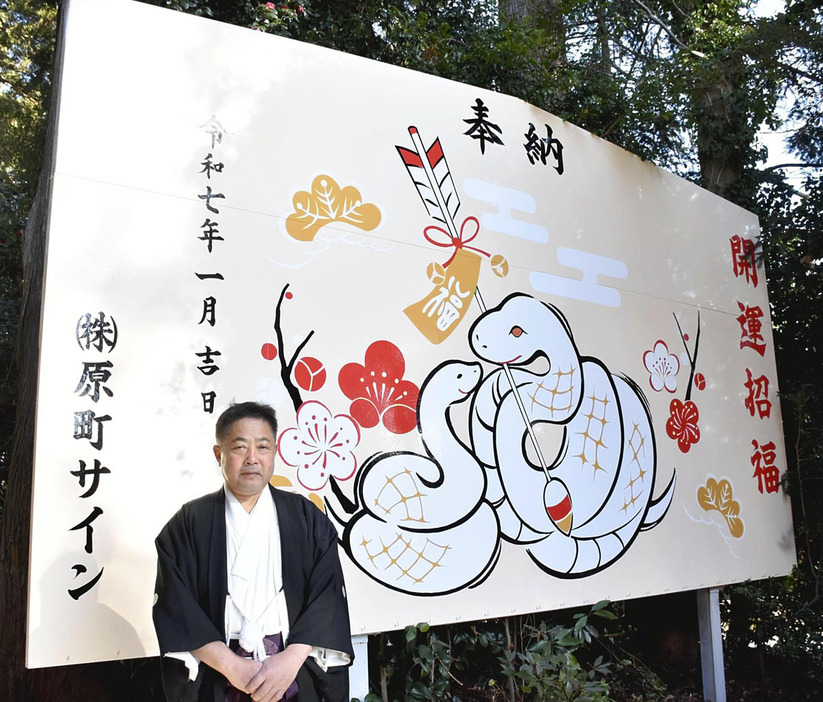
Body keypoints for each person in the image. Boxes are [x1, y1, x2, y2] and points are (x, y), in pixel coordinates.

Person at [153, 401, 353, 702]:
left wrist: (290, 661)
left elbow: (327, 599)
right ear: (218, 454)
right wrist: (231, 666)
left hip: (292, 669)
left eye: (262, 447)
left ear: (274, 452)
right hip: (220, 674)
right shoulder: (189, 523)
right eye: (239, 448)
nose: (252, 459)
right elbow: (176, 607)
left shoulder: (306, 518)